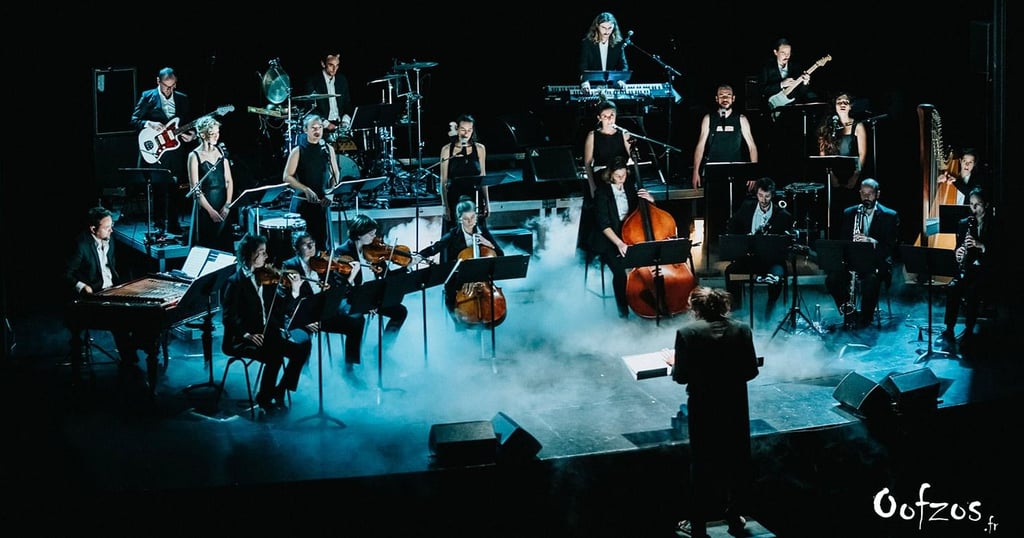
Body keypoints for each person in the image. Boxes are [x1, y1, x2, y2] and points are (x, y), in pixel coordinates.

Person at [666, 286, 759, 538]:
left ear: (695, 308)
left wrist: (676, 364)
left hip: (704, 407)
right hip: (735, 406)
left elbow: (681, 377)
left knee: (703, 463)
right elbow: (751, 371)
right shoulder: (742, 329)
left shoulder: (686, 332)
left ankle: (698, 525)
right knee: (736, 461)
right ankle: (734, 517)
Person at [63, 207, 162, 382]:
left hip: (112, 288)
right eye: (107, 226)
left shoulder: (110, 238)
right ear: (93, 229)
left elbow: (112, 266)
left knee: (146, 309)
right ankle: (132, 355)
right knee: (121, 319)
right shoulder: (81, 245)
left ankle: (138, 348)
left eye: (112, 225)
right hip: (94, 294)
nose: (111, 229)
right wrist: (82, 286)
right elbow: (66, 274)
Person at [220, 233, 312, 412]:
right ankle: (264, 398)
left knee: (300, 351)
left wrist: (294, 291)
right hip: (240, 339)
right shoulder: (234, 282)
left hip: (267, 336)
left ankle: (279, 391)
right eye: (262, 252)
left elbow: (280, 309)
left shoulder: (266, 279)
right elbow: (229, 317)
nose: (266, 256)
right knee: (275, 357)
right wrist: (247, 334)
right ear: (250, 254)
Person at [332, 214, 408, 379]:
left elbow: (386, 276)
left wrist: (407, 266)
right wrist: (363, 297)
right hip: (350, 298)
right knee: (357, 320)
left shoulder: (372, 250)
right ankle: (349, 366)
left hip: (371, 297)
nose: (375, 237)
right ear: (359, 234)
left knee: (400, 311)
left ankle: (382, 350)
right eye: (371, 234)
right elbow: (340, 288)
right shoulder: (343, 252)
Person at [281, 232, 365, 378]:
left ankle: (349, 369)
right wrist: (305, 318)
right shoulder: (289, 266)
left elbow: (339, 290)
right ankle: (303, 375)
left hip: (321, 314)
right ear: (296, 248)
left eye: (312, 242)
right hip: (299, 319)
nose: (311, 246)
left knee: (356, 322)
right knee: (304, 342)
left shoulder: (322, 264)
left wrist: (351, 276)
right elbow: (285, 303)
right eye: (305, 244)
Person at [824, 178, 900, 329]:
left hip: (877, 263)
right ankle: (849, 311)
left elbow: (891, 247)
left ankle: (865, 320)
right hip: (853, 262)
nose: (866, 197)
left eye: (870, 194)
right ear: (859, 193)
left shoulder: (889, 215)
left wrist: (871, 241)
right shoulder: (850, 213)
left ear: (877, 194)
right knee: (831, 279)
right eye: (863, 194)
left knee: (871, 280)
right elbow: (843, 242)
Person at [415, 197, 504, 321]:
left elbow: (500, 254)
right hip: (460, 278)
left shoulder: (482, 231)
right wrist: (419, 256)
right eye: (466, 219)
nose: (470, 222)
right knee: (452, 298)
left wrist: (489, 244)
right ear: (460, 219)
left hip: (482, 278)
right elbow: (436, 247)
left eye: (473, 217)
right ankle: (459, 328)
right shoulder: (453, 234)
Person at [131, 67, 194, 236]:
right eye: (167, 86)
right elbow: (134, 120)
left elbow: (187, 123)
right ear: (158, 82)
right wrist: (149, 123)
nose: (170, 90)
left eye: (173, 86)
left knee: (175, 188)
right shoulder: (147, 96)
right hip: (156, 150)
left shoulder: (182, 99)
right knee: (159, 188)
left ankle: (173, 224)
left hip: (174, 150)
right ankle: (159, 224)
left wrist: (192, 135)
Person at [592, 156, 655, 318]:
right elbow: (603, 224)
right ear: (610, 175)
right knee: (620, 273)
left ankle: (650, 304)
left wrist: (650, 201)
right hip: (609, 239)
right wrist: (619, 244)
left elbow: (640, 211)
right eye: (617, 176)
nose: (621, 179)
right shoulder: (602, 192)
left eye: (624, 175)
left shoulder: (629, 186)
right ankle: (623, 313)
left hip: (630, 234)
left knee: (651, 263)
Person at [724, 177, 793, 322]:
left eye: (767, 196)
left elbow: (785, 245)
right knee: (730, 271)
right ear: (757, 194)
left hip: (772, 260)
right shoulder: (747, 207)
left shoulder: (782, 215)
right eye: (761, 195)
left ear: (772, 195)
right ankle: (736, 311)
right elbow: (733, 226)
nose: (764, 200)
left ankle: (770, 311)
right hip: (751, 258)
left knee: (777, 276)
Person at [940, 187, 1000, 349]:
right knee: (953, 287)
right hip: (969, 269)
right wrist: (958, 253)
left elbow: (1001, 254)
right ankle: (949, 329)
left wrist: (981, 245)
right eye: (971, 204)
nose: (974, 209)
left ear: (986, 205)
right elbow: (958, 247)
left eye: (978, 204)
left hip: (988, 270)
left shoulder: (995, 225)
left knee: (974, 290)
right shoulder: (964, 224)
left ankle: (968, 329)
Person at [757, 38, 820, 183]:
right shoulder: (766, 68)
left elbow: (801, 92)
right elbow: (761, 90)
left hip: (791, 115)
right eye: (783, 53)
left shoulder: (796, 68)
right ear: (775, 52)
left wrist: (805, 83)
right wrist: (780, 84)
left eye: (789, 53)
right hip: (772, 115)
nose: (786, 56)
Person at [579, 100, 632, 261]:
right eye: (605, 116)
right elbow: (588, 163)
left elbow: (632, 157)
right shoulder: (593, 135)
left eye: (612, 115)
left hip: (621, 175)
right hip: (602, 178)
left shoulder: (623, 133)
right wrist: (592, 186)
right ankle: (609, 247)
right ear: (599, 118)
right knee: (604, 211)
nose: (609, 119)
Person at [283, 114, 342, 253]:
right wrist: (306, 189)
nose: (317, 131)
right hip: (302, 204)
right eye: (313, 128)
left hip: (321, 204)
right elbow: (287, 176)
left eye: (320, 128)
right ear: (305, 130)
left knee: (321, 246)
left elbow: (336, 173)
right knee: (303, 246)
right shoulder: (298, 151)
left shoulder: (328, 149)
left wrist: (331, 193)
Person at [816, 91, 869, 234]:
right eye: (839, 102)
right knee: (833, 214)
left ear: (851, 106)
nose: (843, 104)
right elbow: (823, 154)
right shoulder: (826, 126)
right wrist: (831, 175)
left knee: (851, 213)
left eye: (846, 102)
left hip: (852, 175)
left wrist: (855, 176)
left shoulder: (857, 125)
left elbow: (862, 154)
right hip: (831, 175)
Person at [186, 115, 234, 252]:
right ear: (202, 134)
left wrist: (227, 205)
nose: (216, 136)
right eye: (212, 133)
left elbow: (229, 181)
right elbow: (195, 188)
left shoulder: (221, 152)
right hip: (205, 207)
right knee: (207, 245)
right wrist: (210, 211)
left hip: (222, 205)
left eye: (217, 133)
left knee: (225, 246)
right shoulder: (194, 156)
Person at [440, 114, 489, 236]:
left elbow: (483, 176)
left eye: (469, 130)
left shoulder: (480, 148)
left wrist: (487, 202)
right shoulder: (447, 150)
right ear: (457, 129)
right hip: (455, 198)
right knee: (455, 236)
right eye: (463, 129)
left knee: (477, 235)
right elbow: (443, 181)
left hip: (475, 197)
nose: (466, 133)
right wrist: (445, 206)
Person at [303, 52, 352, 145]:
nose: (334, 69)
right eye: (331, 65)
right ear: (323, 64)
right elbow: (310, 108)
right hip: (322, 126)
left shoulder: (342, 80)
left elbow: (347, 103)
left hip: (339, 124)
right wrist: (326, 124)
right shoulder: (313, 81)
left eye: (337, 66)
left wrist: (345, 121)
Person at [578, 12, 629, 90]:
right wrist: (585, 82)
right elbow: (583, 65)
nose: (607, 31)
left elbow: (624, 66)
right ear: (597, 26)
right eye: (603, 27)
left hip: (613, 86)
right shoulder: (587, 43)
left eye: (610, 28)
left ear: (614, 28)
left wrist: (621, 80)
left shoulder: (618, 44)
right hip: (592, 86)